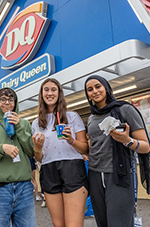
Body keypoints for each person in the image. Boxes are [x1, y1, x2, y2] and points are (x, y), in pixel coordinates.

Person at [84, 75, 150, 227]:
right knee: (102, 222)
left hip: (118, 174)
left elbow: (146, 147)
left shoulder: (125, 109)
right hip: (95, 174)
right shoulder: (91, 118)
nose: (94, 91)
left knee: (119, 223)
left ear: (106, 88)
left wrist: (126, 141)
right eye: (90, 89)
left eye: (98, 86)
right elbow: (95, 146)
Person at [32, 78, 89, 227]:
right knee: (59, 225)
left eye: (53, 89)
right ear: (41, 94)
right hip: (49, 170)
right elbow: (39, 157)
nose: (49, 93)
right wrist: (37, 148)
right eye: (46, 90)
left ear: (59, 94)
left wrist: (71, 140)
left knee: (73, 225)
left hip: (72, 168)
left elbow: (85, 149)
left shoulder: (72, 116)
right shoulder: (36, 123)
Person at [0, 87, 36, 227]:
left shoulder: (24, 123)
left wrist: (19, 128)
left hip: (24, 188)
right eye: (3, 99)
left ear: (15, 103)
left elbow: (31, 151)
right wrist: (1, 148)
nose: (7, 103)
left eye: (11, 99)